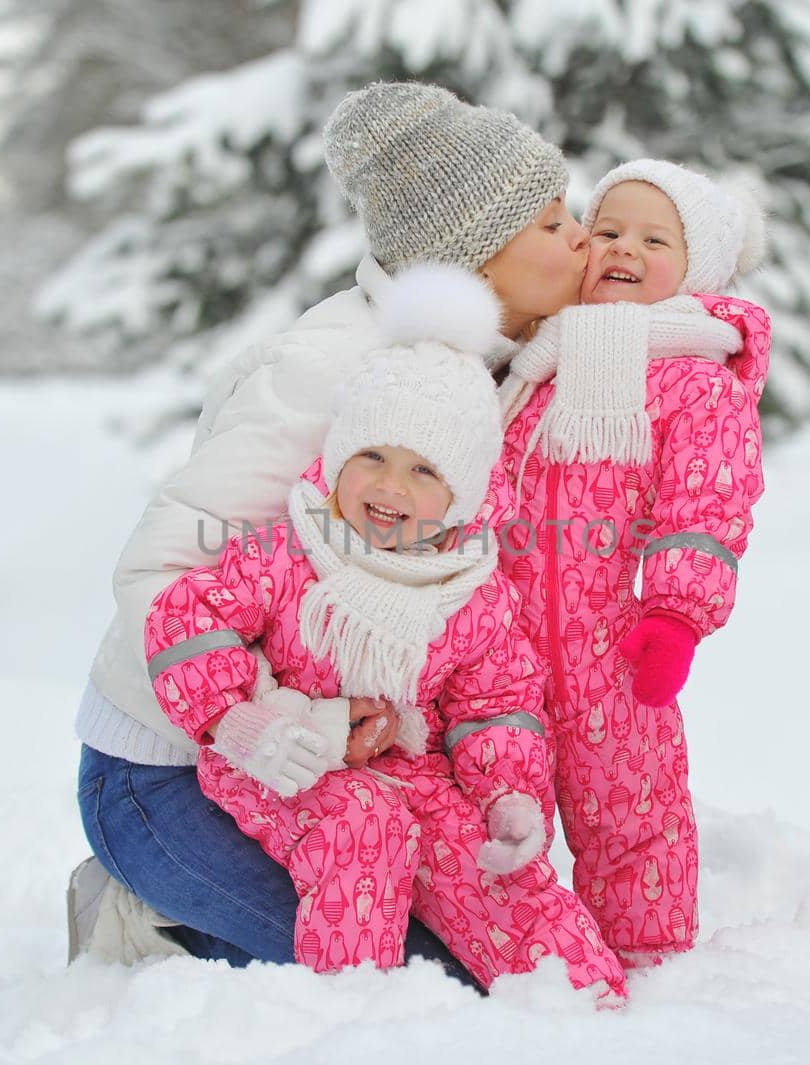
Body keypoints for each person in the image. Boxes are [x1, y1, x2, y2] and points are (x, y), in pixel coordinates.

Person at [69, 82, 588, 974]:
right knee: (403, 976)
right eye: (551, 223)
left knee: (484, 958)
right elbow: (160, 567)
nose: (579, 238)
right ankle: (146, 916)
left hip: (337, 778)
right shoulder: (343, 367)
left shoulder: (473, 369)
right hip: (168, 770)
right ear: (473, 257)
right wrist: (275, 714)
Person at [141, 267, 626, 1000]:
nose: (389, 487)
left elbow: (497, 706)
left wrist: (508, 798)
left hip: (415, 773)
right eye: (371, 456)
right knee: (363, 824)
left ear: (460, 494)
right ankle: (356, 1014)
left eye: (422, 470)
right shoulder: (290, 551)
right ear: (338, 458)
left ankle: (586, 1003)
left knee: (487, 862)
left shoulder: (470, 593)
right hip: (286, 759)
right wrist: (238, 721)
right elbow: (186, 620)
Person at [495, 159, 772, 966]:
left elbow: (708, 503)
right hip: (503, 652)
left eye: (655, 238)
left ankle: (648, 961)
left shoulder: (695, 381)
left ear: (696, 271)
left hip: (617, 652)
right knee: (502, 803)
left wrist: (676, 615)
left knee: (631, 811)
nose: (623, 247)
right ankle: (527, 958)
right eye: (607, 229)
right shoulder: (539, 365)